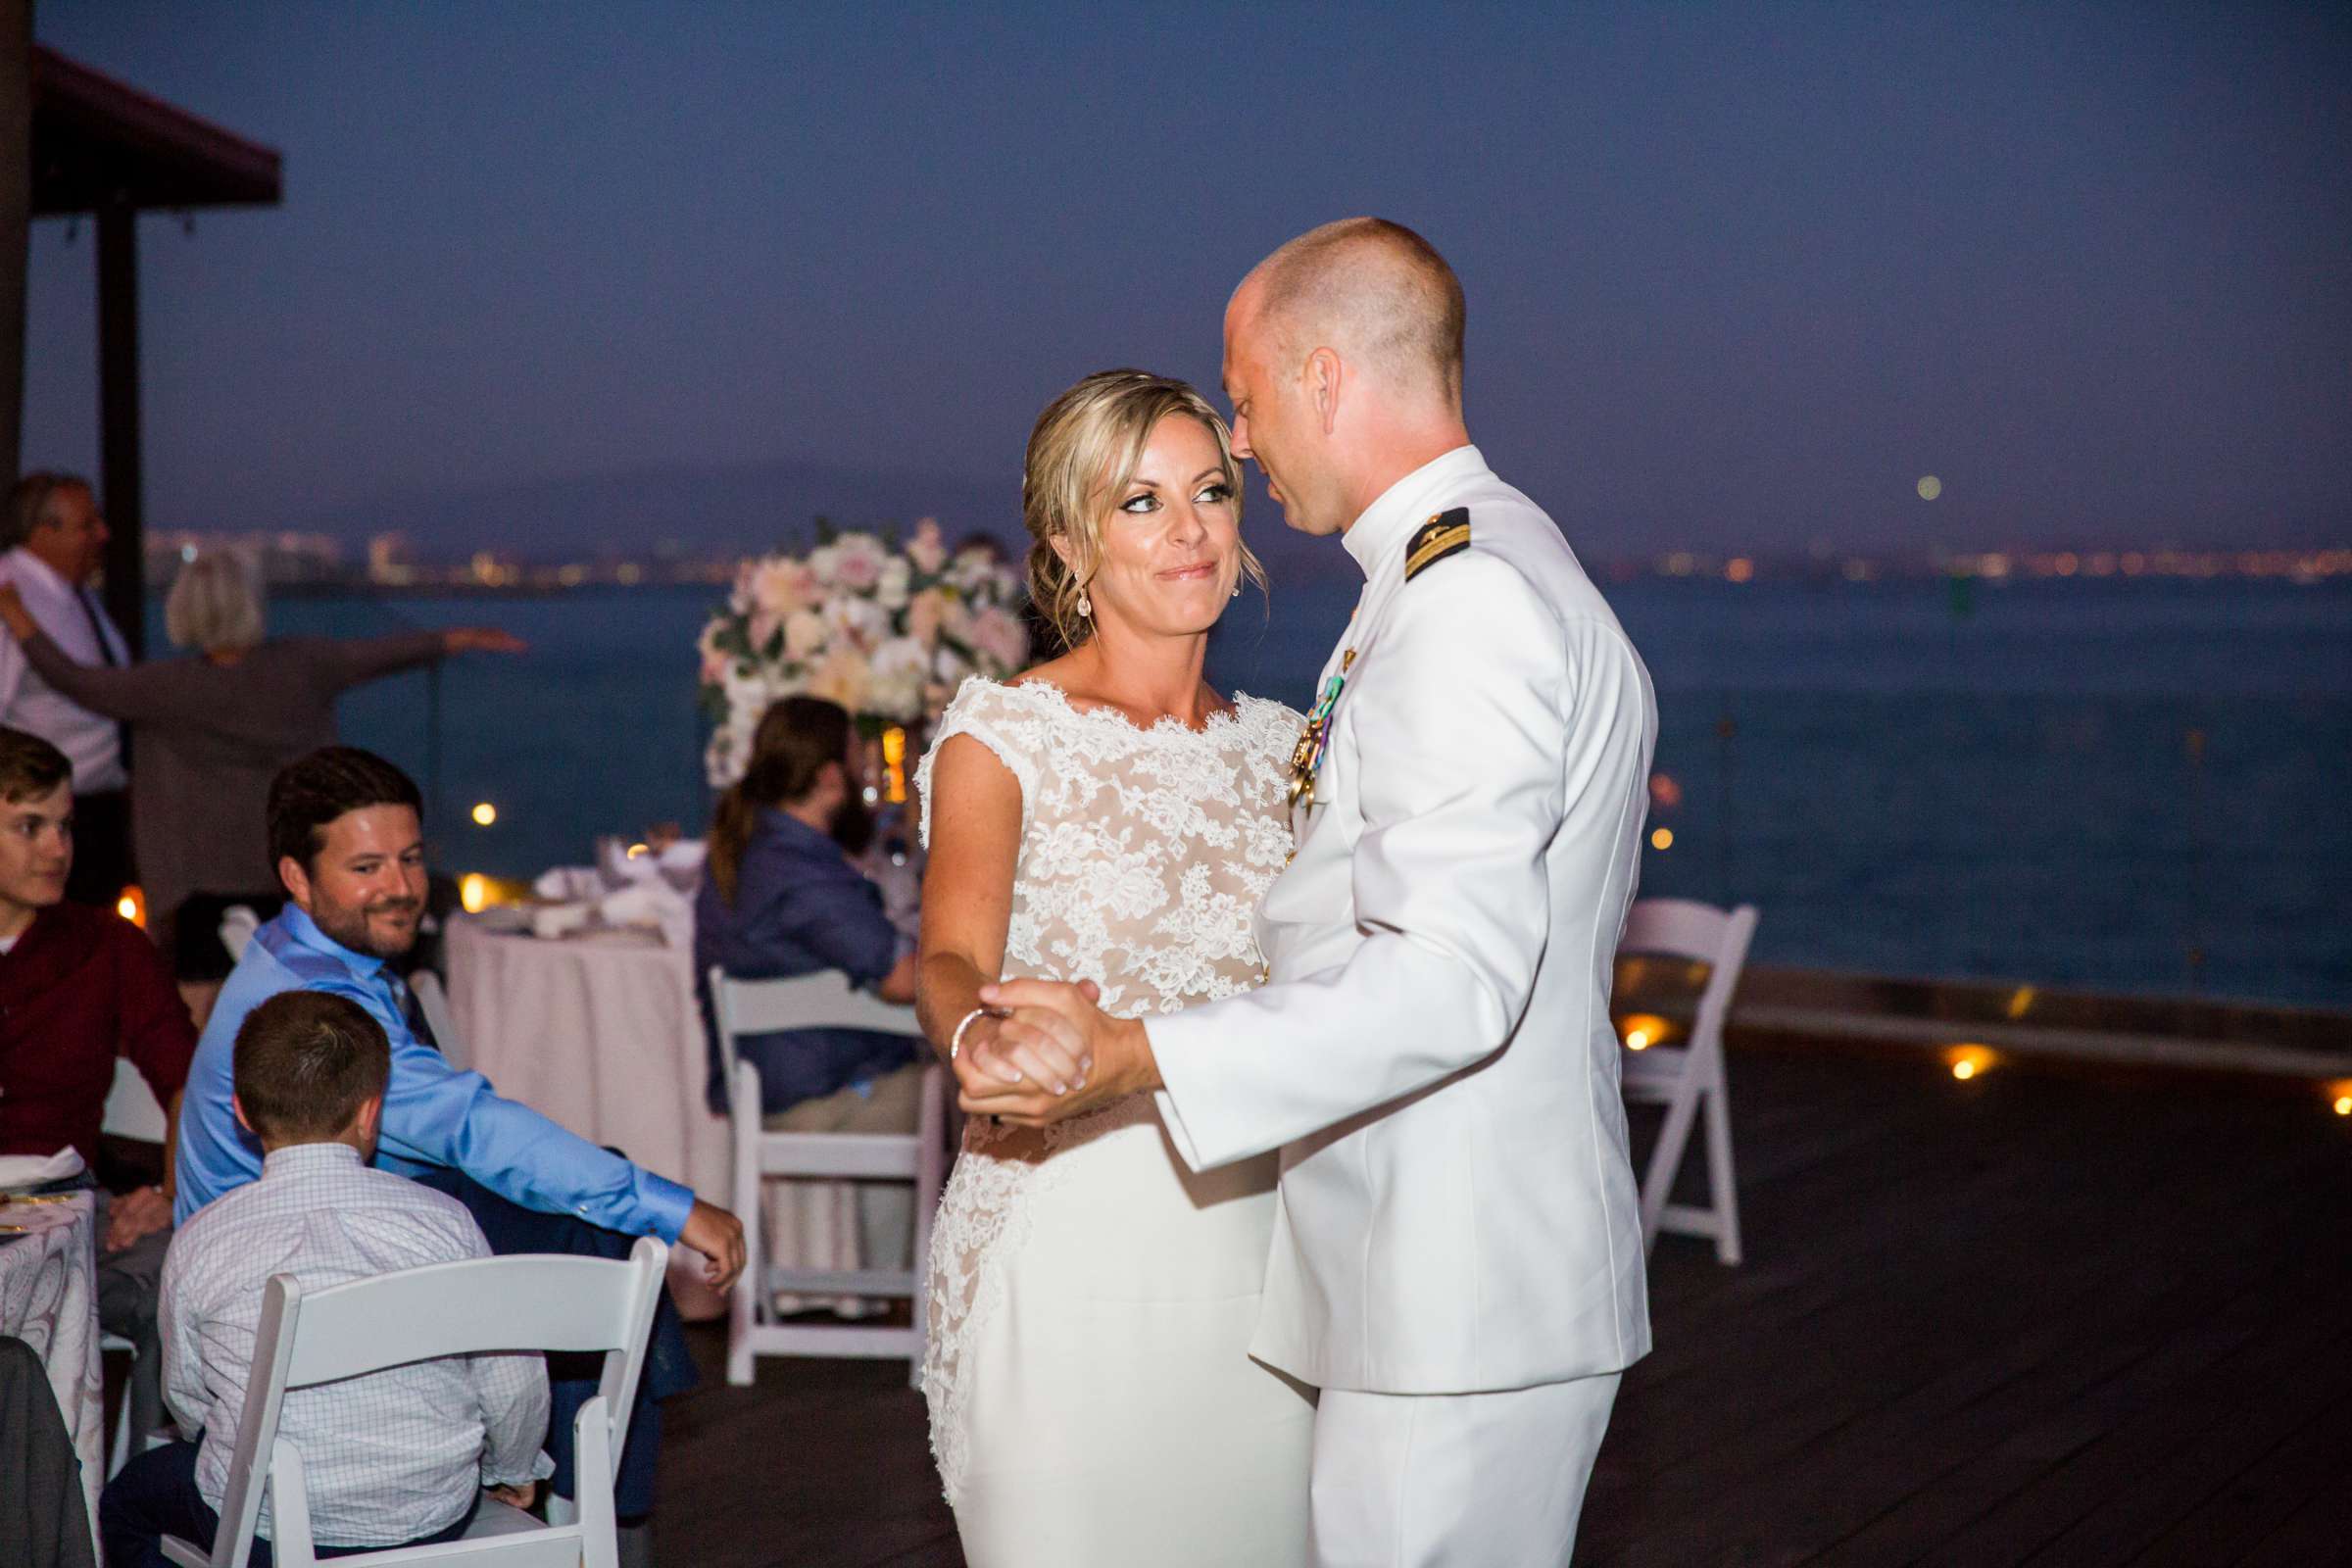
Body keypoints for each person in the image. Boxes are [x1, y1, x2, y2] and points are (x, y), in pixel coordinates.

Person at [963, 220, 1660, 1566]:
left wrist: (1128, 1051)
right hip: (1444, 1277)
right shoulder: (1473, 568)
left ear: (1326, 379)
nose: (1241, 436)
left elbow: (1449, 976)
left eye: (1248, 393)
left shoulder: (1466, 604)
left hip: (1449, 1287)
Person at [911, 368, 1312, 1563]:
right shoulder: (1004, 733)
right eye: (1140, 502)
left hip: (1259, 1260)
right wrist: (973, 1035)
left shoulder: (1288, 749)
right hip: (1066, 1249)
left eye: (1210, 491)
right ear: (1070, 547)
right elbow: (945, 954)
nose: (1188, 529)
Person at [173, 746, 746, 1544]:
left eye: (409, 858)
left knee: (583, 1210)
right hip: (282, 1265)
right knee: (590, 1233)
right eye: (367, 866)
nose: (402, 887)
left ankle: (594, 1499)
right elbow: (471, 1125)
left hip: (338, 1221)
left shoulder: (300, 949)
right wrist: (671, 1206)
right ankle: (596, 1516)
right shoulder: (321, 1003)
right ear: (298, 879)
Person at [103, 990, 548, 1567]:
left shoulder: (203, 1238)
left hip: (267, 1530)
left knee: (126, 1503)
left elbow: (190, 1397)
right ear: (371, 1111)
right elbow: (511, 1378)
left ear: (240, 1111)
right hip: (428, 1515)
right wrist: (511, 1469)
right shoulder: (445, 1222)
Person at [0, 549, 525, 975]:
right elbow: (382, 653)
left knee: (202, 1025)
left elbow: (75, 681)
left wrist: (19, 618)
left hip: (195, 892)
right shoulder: (305, 667)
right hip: (294, 881)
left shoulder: (164, 689)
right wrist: (460, 637)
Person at [0, 725, 197, 1456]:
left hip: (69, 1211)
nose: (58, 847)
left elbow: (187, 1079)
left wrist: (173, 1188)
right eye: (31, 827)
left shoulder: (104, 946)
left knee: (179, 1287)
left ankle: (138, 1504)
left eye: (65, 826)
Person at [695, 694, 924, 1275]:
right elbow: (901, 980)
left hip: (771, 1081)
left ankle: (897, 1280)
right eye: (854, 758)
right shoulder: (799, 875)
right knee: (964, 1091)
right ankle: (909, 1286)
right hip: (814, 1094)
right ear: (829, 777)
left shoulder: (750, 846)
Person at [0, 472, 134, 907]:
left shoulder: (74, 596)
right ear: (44, 531)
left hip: (95, 811)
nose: (103, 534)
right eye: (87, 525)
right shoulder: (11, 595)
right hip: (44, 817)